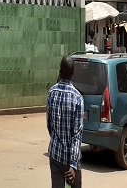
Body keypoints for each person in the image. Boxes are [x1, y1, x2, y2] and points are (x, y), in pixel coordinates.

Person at [47, 56, 84, 188]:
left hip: (55, 154)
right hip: (70, 161)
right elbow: (77, 135)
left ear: (60, 71)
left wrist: (58, 140)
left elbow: (49, 125)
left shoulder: (52, 92)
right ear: (73, 74)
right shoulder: (77, 98)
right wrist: (73, 165)